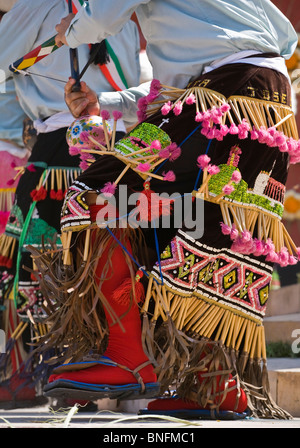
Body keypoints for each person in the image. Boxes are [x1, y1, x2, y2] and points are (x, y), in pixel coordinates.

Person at [33, 0, 299, 419]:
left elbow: (101, 17)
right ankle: (218, 384)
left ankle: (126, 356)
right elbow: (284, 37)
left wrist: (72, 29)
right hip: (267, 100)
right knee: (213, 231)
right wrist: (106, 101)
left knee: (96, 197)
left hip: (224, 91)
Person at [0, 0, 141, 408]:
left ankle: (58, 377)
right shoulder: (122, 13)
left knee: (48, 266)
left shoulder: (36, 7)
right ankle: (117, 374)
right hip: (120, 148)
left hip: (61, 147)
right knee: (111, 259)